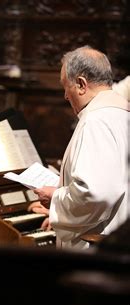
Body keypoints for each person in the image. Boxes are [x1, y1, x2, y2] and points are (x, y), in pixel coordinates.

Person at [29, 46, 129, 249]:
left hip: (97, 247)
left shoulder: (96, 121)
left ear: (81, 84)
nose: (66, 96)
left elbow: (95, 194)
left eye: (66, 86)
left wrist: (55, 198)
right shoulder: (121, 113)